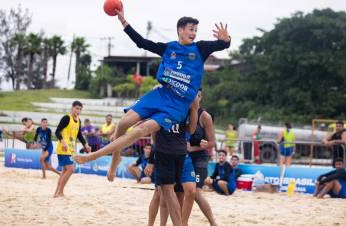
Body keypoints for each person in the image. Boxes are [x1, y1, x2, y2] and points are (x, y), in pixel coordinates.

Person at [74, 6, 231, 184]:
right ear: (180, 30)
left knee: (141, 130)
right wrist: (123, 22)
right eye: (190, 29)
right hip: (161, 94)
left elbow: (223, 44)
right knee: (124, 122)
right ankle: (114, 161)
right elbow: (141, 42)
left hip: (177, 106)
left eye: (196, 30)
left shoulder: (200, 48)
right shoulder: (168, 48)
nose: (194, 33)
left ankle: (95, 155)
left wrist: (227, 40)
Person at [145, 95, 200, 226]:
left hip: (172, 152)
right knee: (161, 194)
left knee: (170, 193)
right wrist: (152, 161)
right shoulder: (183, 104)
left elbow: (154, 136)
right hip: (175, 151)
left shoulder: (184, 105)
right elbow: (190, 129)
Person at [188, 90, 217, 226]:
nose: (195, 99)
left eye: (198, 96)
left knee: (196, 193)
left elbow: (212, 142)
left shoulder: (205, 116)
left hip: (199, 159)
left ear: (201, 98)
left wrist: (194, 148)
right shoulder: (183, 112)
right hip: (184, 158)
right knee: (181, 192)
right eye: (193, 96)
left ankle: (213, 223)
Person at [54, 101, 91, 198]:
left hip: (70, 149)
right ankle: (60, 192)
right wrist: (62, 142)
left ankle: (57, 193)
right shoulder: (66, 118)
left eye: (80, 109)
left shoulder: (78, 120)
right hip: (63, 148)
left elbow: (79, 135)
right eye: (77, 108)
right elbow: (57, 131)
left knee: (65, 171)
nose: (78, 111)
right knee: (70, 169)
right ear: (72, 108)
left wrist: (85, 144)